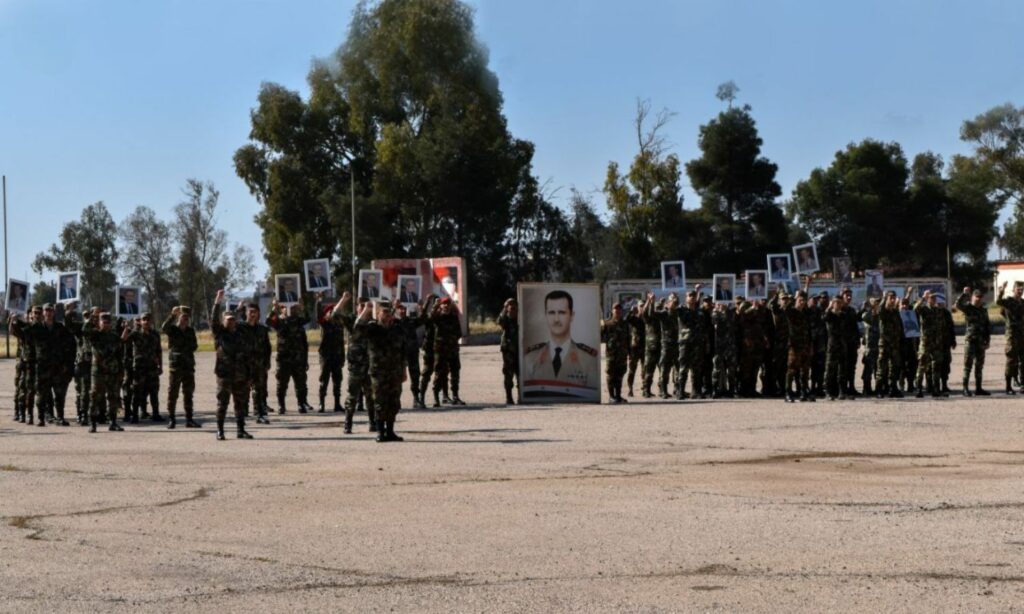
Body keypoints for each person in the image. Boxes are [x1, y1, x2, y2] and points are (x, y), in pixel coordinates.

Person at [523, 290, 599, 393]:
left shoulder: (588, 358)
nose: (556, 319)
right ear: (545, 315)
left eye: (562, 313)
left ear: (572, 315)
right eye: (551, 313)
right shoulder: (531, 357)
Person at [12, 304, 76, 426]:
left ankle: (60, 417)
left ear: (54, 312)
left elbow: (70, 341)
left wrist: (67, 362)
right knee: (41, 394)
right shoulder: (37, 327)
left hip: (57, 366)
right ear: (43, 313)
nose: (49, 313)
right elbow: (22, 334)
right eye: (46, 310)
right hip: (42, 367)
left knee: (59, 394)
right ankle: (41, 418)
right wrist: (14, 321)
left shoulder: (59, 327)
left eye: (51, 310)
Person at [358, 300, 408, 442]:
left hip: (395, 371)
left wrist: (404, 371)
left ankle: (390, 432)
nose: (387, 315)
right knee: (380, 402)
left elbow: (403, 351)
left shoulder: (397, 329)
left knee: (394, 402)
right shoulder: (372, 329)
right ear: (378, 313)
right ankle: (380, 432)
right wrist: (366, 310)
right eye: (384, 312)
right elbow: (357, 329)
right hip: (378, 372)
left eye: (388, 312)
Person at [211, 290, 254, 440]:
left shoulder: (240, 334)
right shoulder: (220, 334)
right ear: (224, 321)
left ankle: (240, 430)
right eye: (228, 319)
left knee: (240, 404)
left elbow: (247, 356)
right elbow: (213, 320)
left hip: (240, 375)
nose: (230, 321)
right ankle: (220, 430)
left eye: (232, 319)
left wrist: (249, 375)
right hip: (225, 375)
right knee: (222, 403)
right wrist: (217, 302)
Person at [82, 312, 125, 432]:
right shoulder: (95, 335)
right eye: (103, 322)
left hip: (112, 371)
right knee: (95, 396)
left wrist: (120, 371)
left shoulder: (114, 336)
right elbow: (85, 330)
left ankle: (113, 422)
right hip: (98, 372)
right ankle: (93, 423)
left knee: (113, 397)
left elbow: (118, 355)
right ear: (99, 323)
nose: (106, 324)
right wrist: (92, 318)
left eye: (108, 322)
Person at [267, 299, 312, 414]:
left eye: (293, 308)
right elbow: (268, 321)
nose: (290, 310)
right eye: (286, 307)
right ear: (282, 309)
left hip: (298, 359)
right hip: (284, 359)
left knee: (300, 384)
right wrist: (274, 308)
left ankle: (301, 404)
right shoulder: (279, 322)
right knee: (281, 384)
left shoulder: (299, 321)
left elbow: (308, 318)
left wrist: (303, 307)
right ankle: (281, 405)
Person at [341, 295, 376, 433]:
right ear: (356, 307)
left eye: (366, 305)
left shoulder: (373, 323)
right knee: (352, 397)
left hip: (370, 366)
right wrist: (344, 299)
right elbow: (336, 314)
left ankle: (373, 423)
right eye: (361, 305)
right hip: (355, 367)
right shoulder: (351, 321)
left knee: (371, 397)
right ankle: (347, 424)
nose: (364, 308)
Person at [162, 306, 200, 429]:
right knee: (173, 393)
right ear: (179, 318)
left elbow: (194, 345)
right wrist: (172, 315)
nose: (185, 319)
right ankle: (172, 419)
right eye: (183, 317)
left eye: (187, 317)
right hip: (176, 367)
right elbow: (164, 328)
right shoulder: (173, 329)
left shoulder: (190, 331)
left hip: (188, 366)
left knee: (188, 394)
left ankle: (189, 419)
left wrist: (185, 349)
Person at [123, 312, 164, 423]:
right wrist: (126, 328)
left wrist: (161, 365)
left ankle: (156, 414)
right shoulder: (135, 333)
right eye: (144, 319)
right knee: (137, 392)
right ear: (140, 321)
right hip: (139, 368)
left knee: (154, 391)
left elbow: (159, 351)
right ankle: (135, 416)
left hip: (152, 367)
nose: (146, 321)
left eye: (148, 319)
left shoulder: (155, 334)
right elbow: (123, 340)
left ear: (151, 321)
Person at [239, 302, 273, 423]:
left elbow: (267, 347)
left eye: (255, 312)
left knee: (259, 390)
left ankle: (259, 414)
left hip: (259, 364)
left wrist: (267, 361)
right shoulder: (240, 327)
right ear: (246, 313)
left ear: (258, 314)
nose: (253, 314)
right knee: (243, 389)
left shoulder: (262, 329)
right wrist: (238, 309)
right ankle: (243, 412)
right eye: (250, 312)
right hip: (244, 364)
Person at [956, 287, 991, 397]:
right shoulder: (968, 308)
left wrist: (987, 341)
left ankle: (978, 388)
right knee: (968, 365)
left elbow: (987, 326)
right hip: (970, 340)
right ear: (972, 297)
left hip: (980, 341)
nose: (978, 299)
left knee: (979, 366)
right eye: (977, 297)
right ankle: (965, 389)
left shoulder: (984, 310)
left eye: (980, 297)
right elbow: (957, 305)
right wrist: (964, 294)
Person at [430, 297, 465, 406]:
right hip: (441, 350)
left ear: (450, 305)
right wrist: (435, 305)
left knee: (455, 372)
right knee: (439, 373)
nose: (445, 306)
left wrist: (452, 340)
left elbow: (459, 333)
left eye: (447, 304)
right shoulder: (438, 317)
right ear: (441, 306)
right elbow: (431, 317)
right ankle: (436, 397)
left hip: (453, 349)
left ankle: (455, 396)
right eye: (443, 304)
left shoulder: (454, 317)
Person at [315, 293, 346, 413]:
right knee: (324, 381)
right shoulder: (325, 324)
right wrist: (319, 301)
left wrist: (343, 358)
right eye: (330, 312)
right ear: (326, 314)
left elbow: (342, 343)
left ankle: (337, 404)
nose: (333, 314)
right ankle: (321, 404)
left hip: (337, 356)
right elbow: (318, 315)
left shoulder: (339, 326)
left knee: (337, 381)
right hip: (326, 356)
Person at [912, 287, 944, 398]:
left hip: (936, 342)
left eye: (934, 297)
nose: (933, 299)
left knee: (936, 366)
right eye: (931, 298)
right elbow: (915, 308)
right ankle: (919, 389)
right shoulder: (924, 309)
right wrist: (923, 298)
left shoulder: (938, 310)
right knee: (922, 366)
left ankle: (936, 389)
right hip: (925, 342)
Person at [394, 300, 425, 408]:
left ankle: (416, 398)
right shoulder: (394, 322)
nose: (402, 311)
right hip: (399, 354)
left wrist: (421, 307)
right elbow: (382, 318)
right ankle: (396, 400)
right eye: (400, 308)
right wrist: (393, 306)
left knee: (415, 376)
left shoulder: (411, 321)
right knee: (397, 377)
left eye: (403, 309)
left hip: (412, 353)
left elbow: (423, 319)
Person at [876, 290, 906, 398]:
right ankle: (879, 389)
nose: (892, 300)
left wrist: (901, 340)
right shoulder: (883, 312)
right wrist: (884, 298)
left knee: (894, 367)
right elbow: (879, 309)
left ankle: (893, 387)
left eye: (894, 298)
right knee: (882, 367)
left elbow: (900, 327)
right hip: (885, 344)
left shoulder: (895, 312)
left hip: (895, 344)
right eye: (890, 298)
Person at [996, 281, 1024, 395]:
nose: (1020, 291)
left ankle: (1022, 385)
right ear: (1013, 290)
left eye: (1022, 290)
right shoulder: (1009, 301)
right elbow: (998, 302)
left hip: (1022, 335)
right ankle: (1008, 387)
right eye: (1018, 289)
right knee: (1011, 361)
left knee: (1023, 362)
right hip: (1012, 336)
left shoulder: (1023, 302)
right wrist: (1001, 291)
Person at [600, 303, 630, 404]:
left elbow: (628, 339)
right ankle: (611, 396)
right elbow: (600, 337)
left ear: (621, 311)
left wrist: (629, 352)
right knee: (610, 375)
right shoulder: (607, 324)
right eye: (615, 309)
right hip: (611, 355)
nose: (617, 311)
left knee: (620, 375)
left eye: (619, 309)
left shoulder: (625, 324)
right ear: (612, 311)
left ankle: (618, 396)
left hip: (622, 354)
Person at [711, 300, 739, 398]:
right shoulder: (715, 313)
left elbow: (732, 319)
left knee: (731, 369)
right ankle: (715, 389)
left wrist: (725, 311)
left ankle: (731, 390)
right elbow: (714, 321)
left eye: (723, 304)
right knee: (717, 370)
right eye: (719, 304)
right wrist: (720, 311)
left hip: (730, 346)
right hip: (719, 346)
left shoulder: (731, 313)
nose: (721, 305)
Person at [497, 298, 519, 405]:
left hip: (520, 350)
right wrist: (504, 309)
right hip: (508, 350)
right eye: (510, 306)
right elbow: (499, 322)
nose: (512, 308)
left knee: (520, 374)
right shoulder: (506, 318)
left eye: (514, 306)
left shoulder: (520, 318)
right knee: (508, 374)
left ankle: (521, 397)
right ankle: (509, 397)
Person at [640, 294, 662, 398]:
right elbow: (644, 312)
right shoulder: (648, 320)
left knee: (663, 370)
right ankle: (646, 390)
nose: (657, 311)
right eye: (656, 309)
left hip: (662, 347)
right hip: (651, 348)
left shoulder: (662, 319)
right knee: (649, 370)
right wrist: (650, 301)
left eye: (659, 309)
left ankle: (662, 390)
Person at [624, 302, 645, 397]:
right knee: (632, 370)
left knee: (645, 370)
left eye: (643, 306)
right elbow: (626, 319)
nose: (642, 307)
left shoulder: (647, 318)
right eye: (640, 306)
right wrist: (631, 311)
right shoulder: (634, 318)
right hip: (634, 348)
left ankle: (645, 389)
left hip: (645, 348)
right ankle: (630, 389)